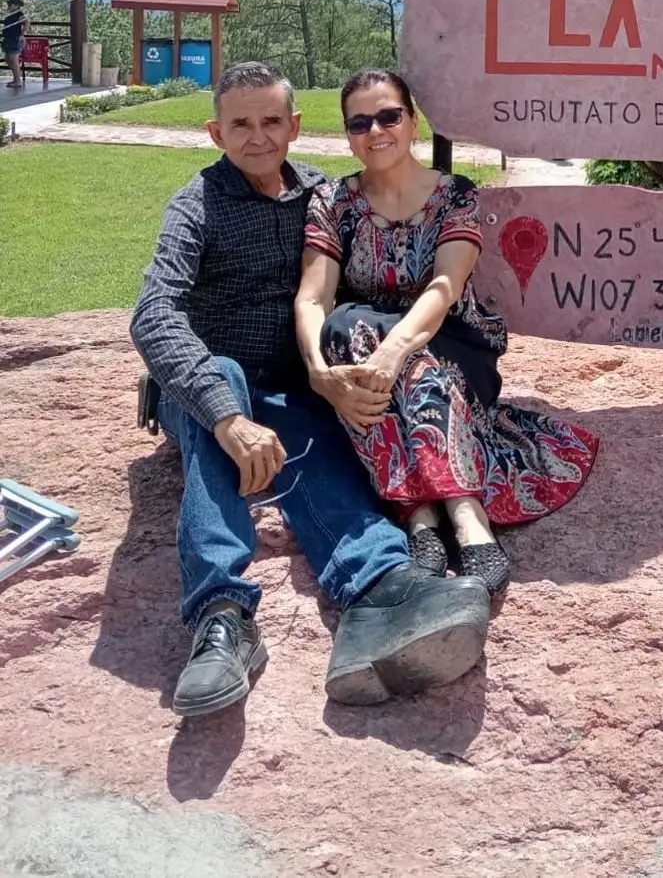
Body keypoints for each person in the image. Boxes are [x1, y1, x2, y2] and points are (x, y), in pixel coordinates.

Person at [130, 60, 490, 720]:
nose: (258, 137)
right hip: (210, 389)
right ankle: (222, 615)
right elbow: (153, 313)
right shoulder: (196, 206)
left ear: (295, 126)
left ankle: (384, 588)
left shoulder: (323, 195)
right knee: (231, 383)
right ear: (216, 132)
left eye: (272, 121)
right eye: (241, 124)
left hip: (292, 387)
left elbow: (349, 285)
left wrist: (358, 370)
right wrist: (222, 414)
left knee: (318, 438)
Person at [295, 69, 598, 598]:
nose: (375, 130)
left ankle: (463, 514)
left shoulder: (454, 195)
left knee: (415, 359)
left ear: (413, 122)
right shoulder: (333, 202)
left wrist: (394, 350)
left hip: (453, 339)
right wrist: (320, 375)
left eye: (389, 115)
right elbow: (313, 297)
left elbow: (444, 285)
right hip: (371, 344)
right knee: (344, 329)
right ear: (347, 134)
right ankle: (420, 515)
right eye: (359, 122)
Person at [3, 0, 27, 90]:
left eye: (11, 4)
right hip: (9, 40)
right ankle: (15, 79)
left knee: (13, 59)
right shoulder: (11, 15)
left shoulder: (19, 14)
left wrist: (22, 34)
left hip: (15, 40)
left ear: (16, 5)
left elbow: (27, 22)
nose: (9, 6)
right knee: (8, 59)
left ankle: (17, 81)